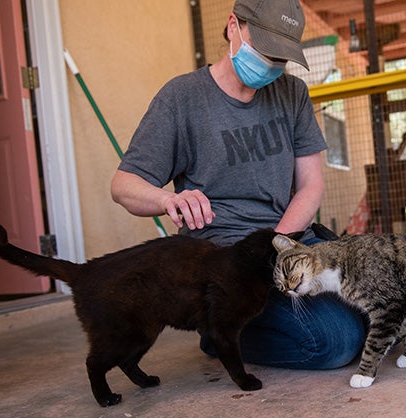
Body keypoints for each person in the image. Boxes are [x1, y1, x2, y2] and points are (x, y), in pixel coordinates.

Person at [110, 0, 365, 369]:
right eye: (264, 52)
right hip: (224, 256)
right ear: (233, 27)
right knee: (334, 343)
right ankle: (220, 332)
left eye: (280, 58)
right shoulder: (182, 98)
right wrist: (168, 199)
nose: (270, 65)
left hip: (287, 240)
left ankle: (232, 323)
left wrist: (277, 246)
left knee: (377, 306)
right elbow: (123, 185)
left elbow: (311, 186)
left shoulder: (293, 94)